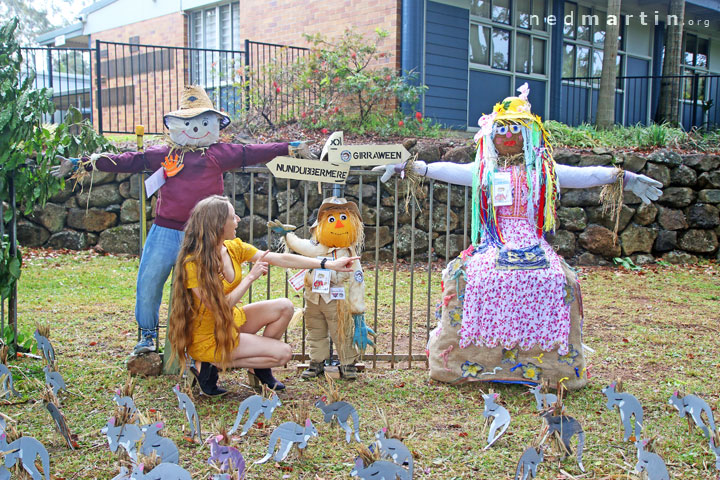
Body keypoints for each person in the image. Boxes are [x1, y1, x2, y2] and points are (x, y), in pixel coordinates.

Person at [375, 83, 662, 389]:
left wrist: (624, 177)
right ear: (490, 135)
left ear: (529, 134)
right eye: (502, 129)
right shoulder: (484, 170)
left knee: (560, 280)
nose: (508, 136)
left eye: (516, 129)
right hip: (492, 242)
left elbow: (583, 175)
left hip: (531, 243)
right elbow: (446, 169)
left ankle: (551, 367)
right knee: (467, 277)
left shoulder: (543, 171)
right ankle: (464, 361)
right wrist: (413, 167)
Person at [51, 85, 312, 356]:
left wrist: (290, 147)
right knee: (149, 280)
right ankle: (147, 336)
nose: (195, 128)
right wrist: (83, 163)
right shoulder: (165, 154)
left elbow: (253, 151)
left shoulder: (219, 153)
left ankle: (198, 337)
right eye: (188, 122)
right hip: (166, 229)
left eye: (201, 122)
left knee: (204, 287)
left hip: (205, 234)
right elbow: (128, 160)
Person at [168, 195, 358, 395]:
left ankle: (257, 366)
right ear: (218, 223)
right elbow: (219, 307)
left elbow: (281, 258)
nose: (239, 220)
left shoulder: (232, 248)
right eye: (233, 217)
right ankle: (208, 364)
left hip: (230, 321)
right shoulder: (194, 263)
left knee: (285, 306)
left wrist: (326, 264)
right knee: (283, 354)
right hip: (209, 336)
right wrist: (250, 277)